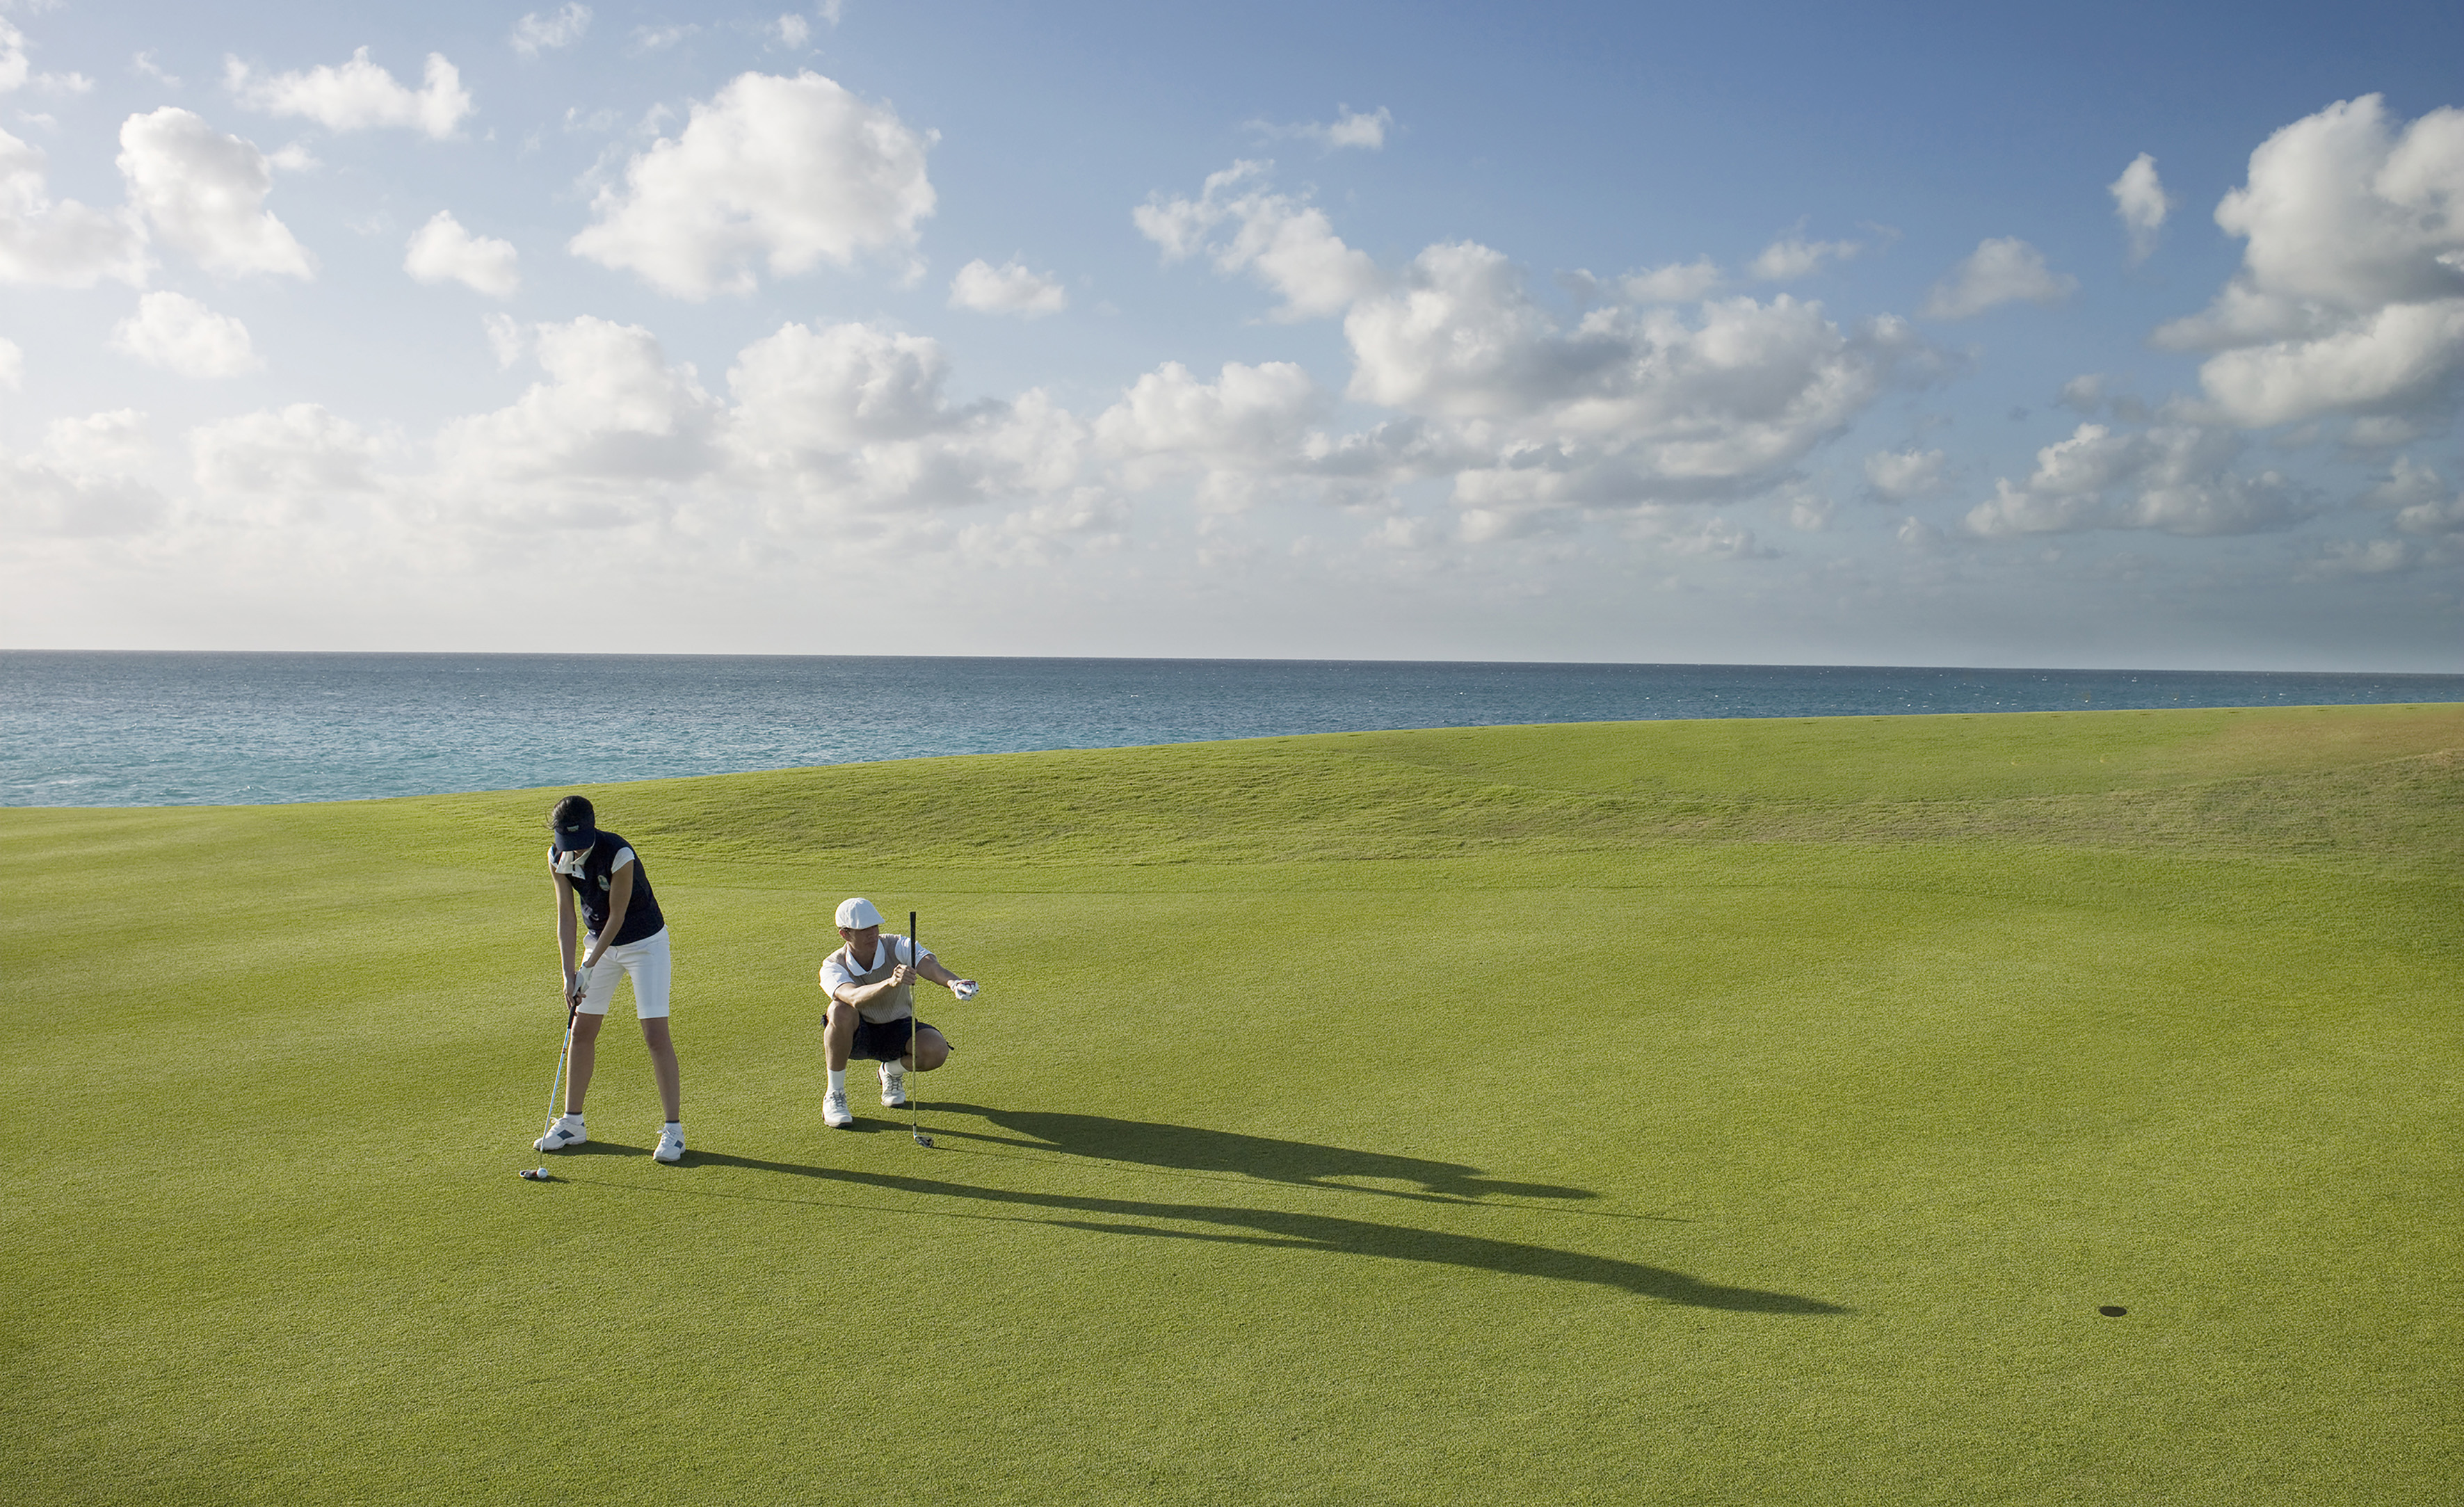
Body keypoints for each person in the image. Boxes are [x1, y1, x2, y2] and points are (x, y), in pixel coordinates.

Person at [537, 795, 686, 1163]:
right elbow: (566, 917)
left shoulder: (619, 853)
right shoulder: (557, 857)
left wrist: (588, 968)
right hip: (598, 942)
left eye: (580, 841)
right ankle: (573, 1123)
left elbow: (617, 916)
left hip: (645, 944)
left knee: (654, 1033)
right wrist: (568, 972)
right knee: (582, 1028)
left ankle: (674, 1131)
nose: (574, 849)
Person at [818, 896, 979, 1129]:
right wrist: (891, 982)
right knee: (839, 1010)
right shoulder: (833, 965)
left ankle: (890, 1072)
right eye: (863, 929)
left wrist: (954, 983)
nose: (872, 933)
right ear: (845, 934)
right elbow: (852, 997)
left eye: (874, 926)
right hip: (857, 1035)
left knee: (936, 1050)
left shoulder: (897, 944)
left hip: (897, 1027)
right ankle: (835, 1095)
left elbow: (929, 965)